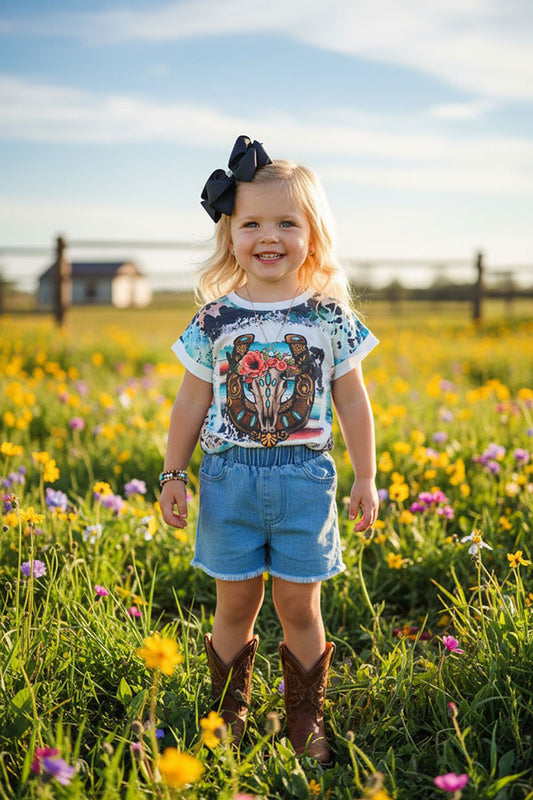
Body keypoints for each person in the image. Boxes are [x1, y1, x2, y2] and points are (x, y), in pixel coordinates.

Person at [160, 135, 379, 765]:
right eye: (252, 222)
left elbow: (355, 403)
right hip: (228, 481)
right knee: (234, 603)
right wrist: (174, 472)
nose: (269, 236)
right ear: (230, 235)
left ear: (313, 235)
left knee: (298, 606)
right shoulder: (214, 320)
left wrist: (366, 477)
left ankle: (304, 719)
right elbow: (189, 404)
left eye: (288, 222)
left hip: (305, 482)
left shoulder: (330, 318)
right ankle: (226, 716)